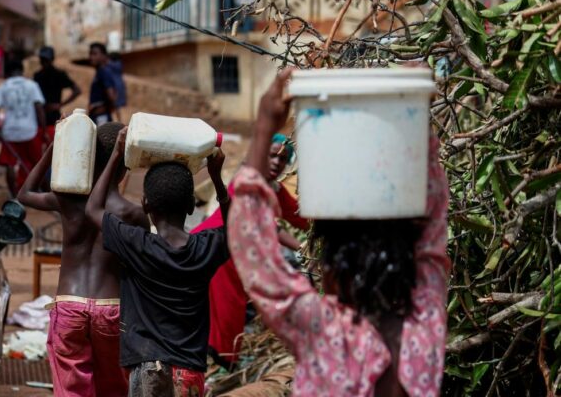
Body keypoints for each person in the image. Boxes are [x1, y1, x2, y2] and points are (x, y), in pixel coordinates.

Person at [227, 70, 449, 396]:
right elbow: (433, 231)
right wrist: (412, 123)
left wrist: (263, 128)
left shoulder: (325, 333)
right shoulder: (425, 328)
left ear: (334, 272)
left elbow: (255, 253)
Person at [85, 127, 231, 397]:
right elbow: (237, 230)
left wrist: (117, 155)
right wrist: (217, 179)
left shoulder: (137, 244)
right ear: (191, 206)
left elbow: (93, 208)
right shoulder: (206, 247)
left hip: (146, 366)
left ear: (145, 204)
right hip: (189, 370)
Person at [17, 122, 146, 397]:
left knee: (72, 391)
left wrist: (56, 145)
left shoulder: (68, 199)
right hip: (112, 308)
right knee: (114, 389)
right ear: (125, 167)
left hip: (69, 305)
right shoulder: (132, 213)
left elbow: (25, 193)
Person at [190, 133, 308, 364]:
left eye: (283, 159)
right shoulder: (247, 181)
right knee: (227, 309)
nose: (277, 162)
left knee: (228, 310)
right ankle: (221, 361)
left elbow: (300, 217)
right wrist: (302, 246)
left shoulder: (273, 188)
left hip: (233, 251)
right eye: (272, 155)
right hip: (217, 246)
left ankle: (218, 358)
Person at [0, 60, 46, 196]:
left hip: (9, 131)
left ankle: (13, 195)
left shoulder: (2, 87)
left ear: (8, 72)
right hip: (30, 130)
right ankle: (33, 192)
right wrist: (43, 130)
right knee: (36, 162)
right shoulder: (32, 85)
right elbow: (39, 108)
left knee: (10, 164)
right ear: (22, 71)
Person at [33, 46, 82, 143]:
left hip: (53, 118)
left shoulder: (59, 74)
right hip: (38, 119)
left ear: (52, 59)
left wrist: (60, 104)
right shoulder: (37, 75)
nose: (43, 62)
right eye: (42, 59)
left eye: (46, 59)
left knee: (53, 148)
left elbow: (77, 90)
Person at [87, 43, 119, 125]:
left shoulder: (104, 72)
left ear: (104, 56)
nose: (91, 57)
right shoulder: (99, 73)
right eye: (90, 54)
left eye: (95, 54)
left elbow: (112, 96)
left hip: (101, 118)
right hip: (97, 116)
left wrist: (105, 108)